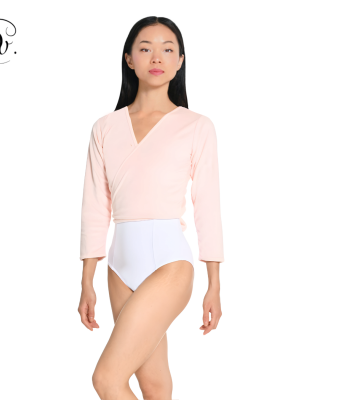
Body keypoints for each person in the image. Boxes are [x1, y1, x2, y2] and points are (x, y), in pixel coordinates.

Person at [78, 16, 225, 400]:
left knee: (107, 380)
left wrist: (214, 284)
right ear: (129, 59)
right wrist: (87, 280)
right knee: (154, 385)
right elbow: (95, 206)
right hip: (117, 269)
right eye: (145, 48)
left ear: (180, 61)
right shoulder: (105, 127)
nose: (156, 57)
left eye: (167, 49)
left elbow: (207, 206)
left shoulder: (196, 126)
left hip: (169, 264)